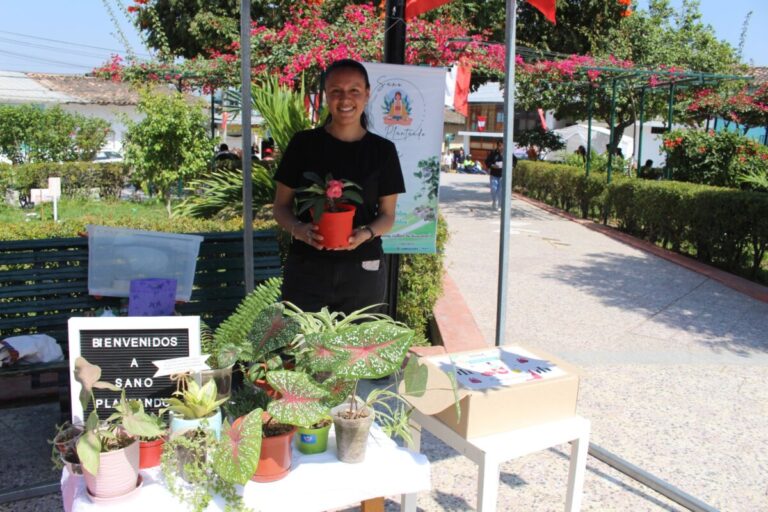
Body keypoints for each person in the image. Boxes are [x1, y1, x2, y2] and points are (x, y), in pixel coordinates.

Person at [272, 59, 405, 315]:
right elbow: (281, 207)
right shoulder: (303, 144)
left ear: (367, 94)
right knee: (305, 349)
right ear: (326, 96)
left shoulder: (383, 152)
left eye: (354, 90)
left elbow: (387, 216)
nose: (345, 99)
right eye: (336, 91)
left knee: (356, 352)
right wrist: (299, 230)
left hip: (363, 271)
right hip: (307, 269)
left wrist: (365, 233)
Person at [485, 140, 504, 210]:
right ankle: (494, 201)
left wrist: (511, 166)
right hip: (494, 174)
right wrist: (492, 165)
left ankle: (500, 205)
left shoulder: (507, 153)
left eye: (502, 145)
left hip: (502, 175)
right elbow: (487, 162)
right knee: (493, 189)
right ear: (497, 146)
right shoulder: (493, 153)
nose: (501, 147)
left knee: (501, 191)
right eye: (499, 146)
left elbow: (514, 161)